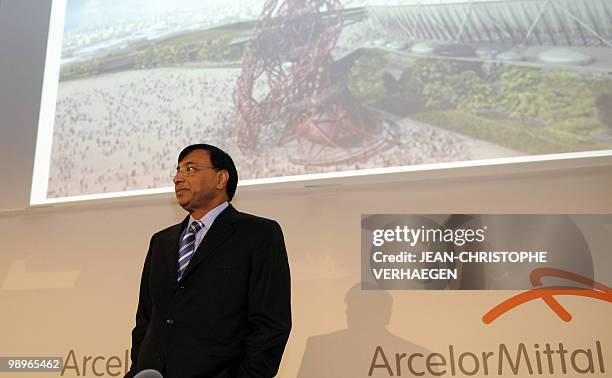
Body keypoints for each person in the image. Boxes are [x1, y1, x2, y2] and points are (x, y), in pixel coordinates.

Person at [125, 144, 292, 378]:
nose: (177, 178)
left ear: (221, 178)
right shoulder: (161, 241)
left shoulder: (259, 234)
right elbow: (145, 319)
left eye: (190, 169)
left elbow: (271, 323)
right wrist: (137, 370)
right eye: (177, 170)